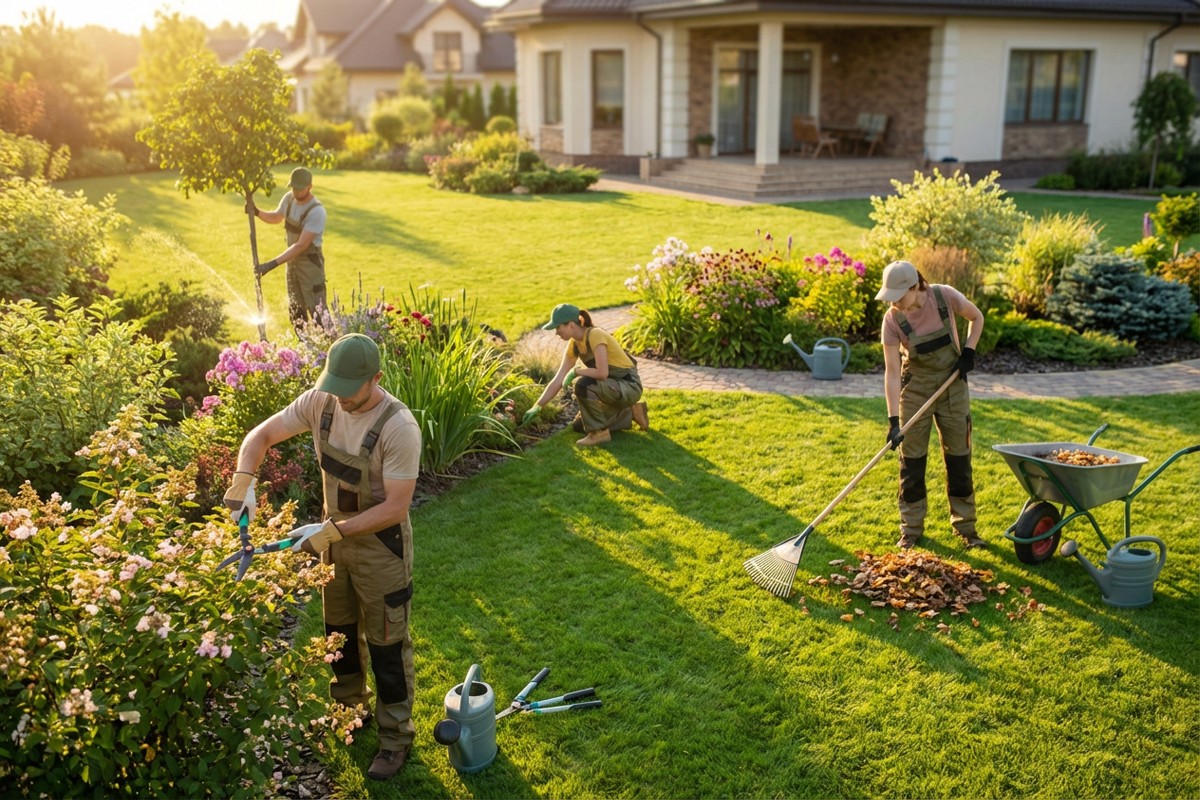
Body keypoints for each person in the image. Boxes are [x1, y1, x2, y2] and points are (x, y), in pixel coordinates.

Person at [222, 333, 421, 781]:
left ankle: (395, 738)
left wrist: (331, 531)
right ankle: (349, 713)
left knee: (387, 645)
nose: (341, 397)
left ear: (376, 379)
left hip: (381, 548)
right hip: (332, 542)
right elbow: (261, 435)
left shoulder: (399, 427)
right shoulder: (321, 402)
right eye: (335, 385)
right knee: (339, 635)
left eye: (350, 389)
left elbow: (396, 507)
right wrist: (243, 481)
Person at [877, 260, 985, 550]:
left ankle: (966, 528)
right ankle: (910, 530)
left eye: (899, 296)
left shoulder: (944, 296)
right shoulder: (892, 320)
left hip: (952, 383)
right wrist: (893, 420)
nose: (894, 302)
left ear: (916, 286)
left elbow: (976, 317)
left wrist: (969, 352)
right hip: (916, 390)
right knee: (911, 464)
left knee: (959, 459)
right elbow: (891, 372)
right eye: (890, 296)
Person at [522, 303, 649, 446]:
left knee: (583, 385)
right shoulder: (574, 344)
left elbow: (602, 373)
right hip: (612, 386)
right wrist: (538, 406)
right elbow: (559, 378)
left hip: (629, 386)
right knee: (579, 425)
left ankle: (598, 434)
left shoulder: (595, 335)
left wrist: (577, 371)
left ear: (571, 325)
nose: (556, 332)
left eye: (558, 327)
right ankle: (633, 412)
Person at [247, 167, 328, 327]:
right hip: (292, 263)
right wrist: (256, 212)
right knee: (296, 310)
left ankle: (328, 340)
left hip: (310, 265)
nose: (296, 192)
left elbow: (300, 246)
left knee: (317, 311)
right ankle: (302, 340)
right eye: (294, 188)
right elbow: (277, 217)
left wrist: (271, 264)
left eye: (300, 189)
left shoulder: (317, 211)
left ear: (310, 187)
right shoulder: (289, 199)